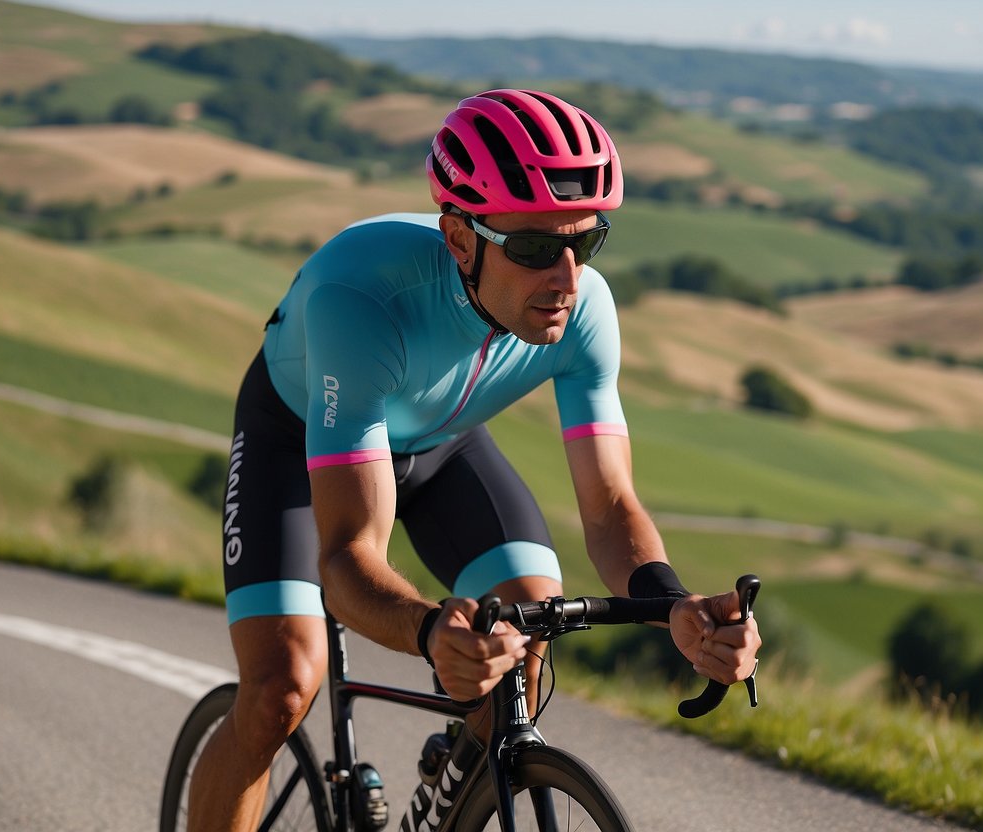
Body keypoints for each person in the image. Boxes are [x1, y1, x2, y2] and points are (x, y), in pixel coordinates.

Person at [188, 88, 762, 830]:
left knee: (522, 637)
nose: (564, 276)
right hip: (296, 443)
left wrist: (674, 609)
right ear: (459, 238)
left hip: (440, 446)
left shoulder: (585, 309)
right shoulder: (361, 300)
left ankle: (445, 794)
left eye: (584, 242)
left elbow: (611, 508)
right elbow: (346, 557)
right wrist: (432, 631)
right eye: (531, 248)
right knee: (279, 691)